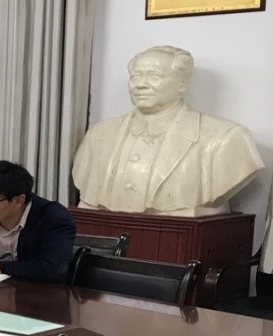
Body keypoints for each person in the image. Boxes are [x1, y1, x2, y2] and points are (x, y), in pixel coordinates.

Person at [71, 45, 263, 216]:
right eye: (136, 76)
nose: (141, 84)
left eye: (154, 76)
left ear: (183, 84)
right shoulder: (98, 135)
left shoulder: (225, 139)